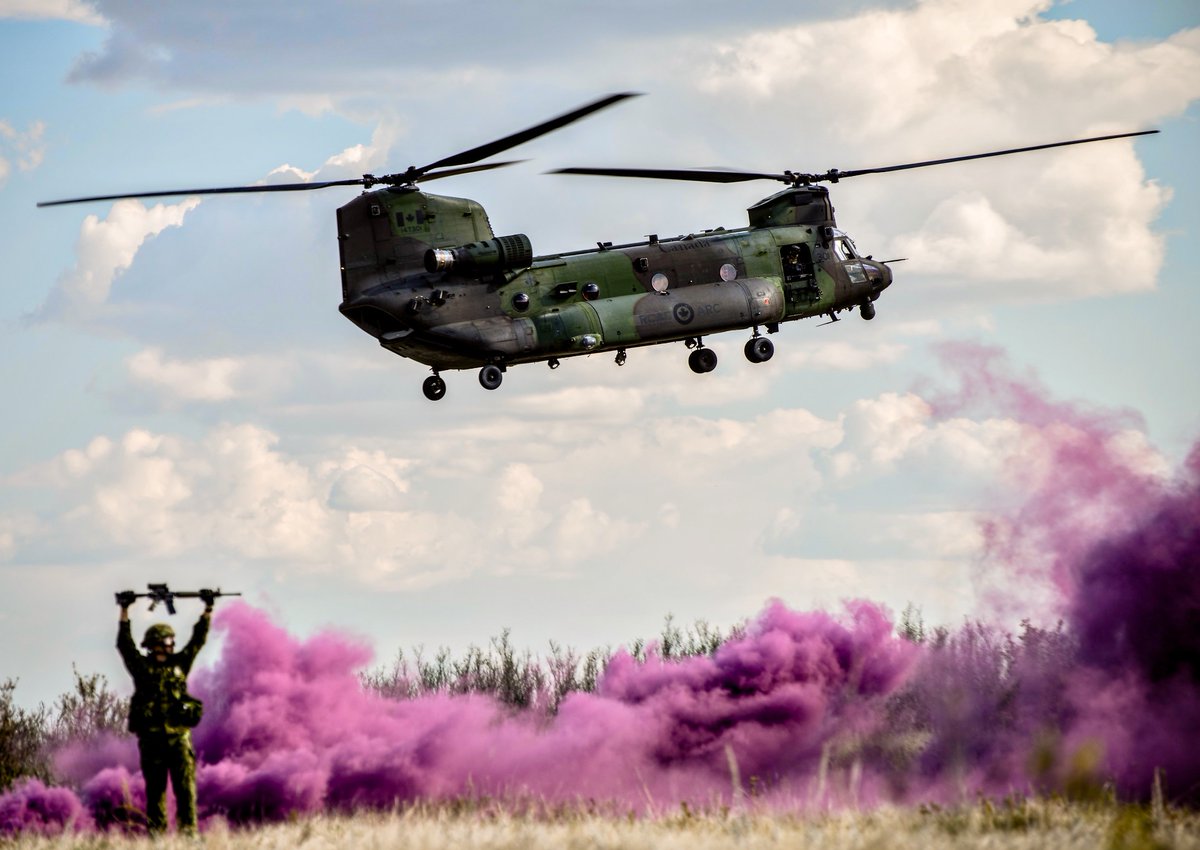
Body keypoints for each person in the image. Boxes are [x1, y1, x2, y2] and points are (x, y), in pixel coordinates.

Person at [116, 591, 212, 836]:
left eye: (167, 644)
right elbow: (125, 646)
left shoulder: (180, 665)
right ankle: (157, 838)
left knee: (185, 789)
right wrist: (124, 611)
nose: (163, 648)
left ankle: (188, 835)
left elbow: (197, 641)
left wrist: (207, 609)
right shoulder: (142, 669)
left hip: (179, 739)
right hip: (152, 741)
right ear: (150, 646)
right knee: (156, 791)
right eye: (159, 644)